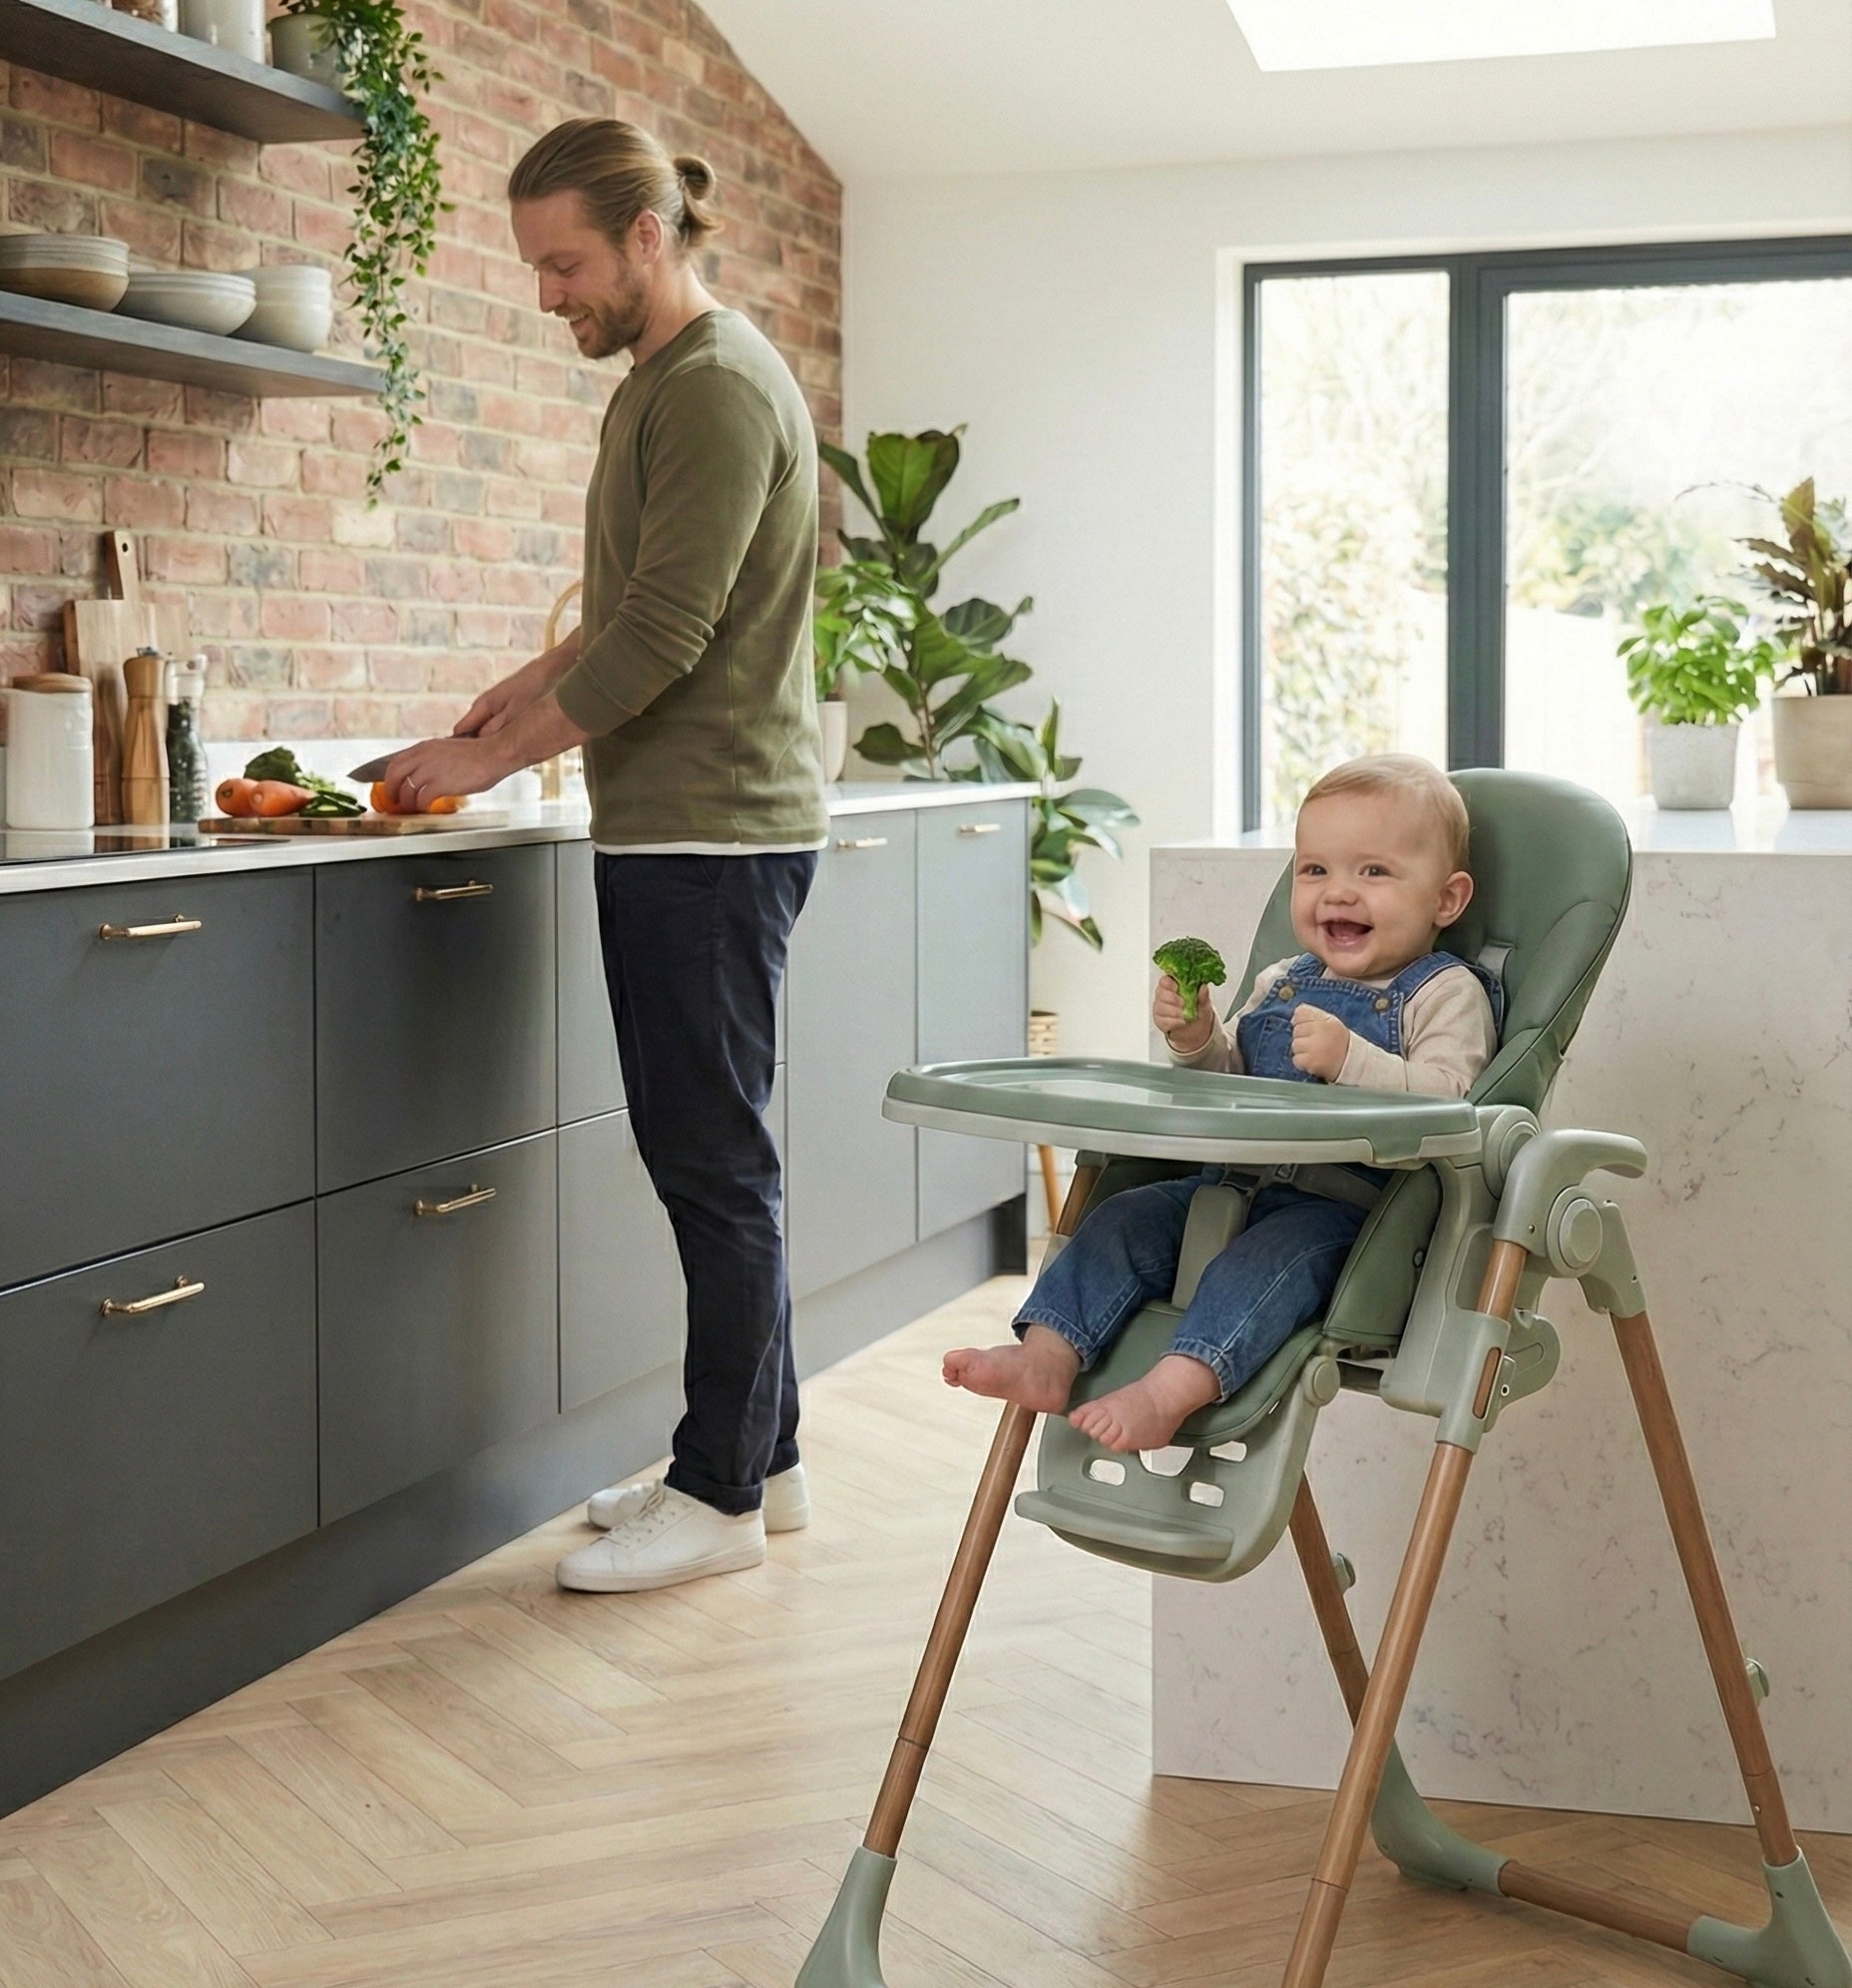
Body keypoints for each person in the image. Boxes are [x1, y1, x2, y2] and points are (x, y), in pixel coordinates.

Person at [381, 119, 826, 1593]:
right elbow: (631, 605)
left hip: (707, 830)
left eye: (564, 262)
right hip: (688, 824)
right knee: (723, 1158)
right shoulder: (661, 386)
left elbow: (668, 634)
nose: (550, 293)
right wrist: (514, 695)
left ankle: (719, 1501)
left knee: (712, 1166)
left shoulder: (709, 389)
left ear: (649, 237)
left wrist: (494, 761)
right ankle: (765, 1457)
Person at [943, 754, 1502, 1452]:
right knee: (1120, 1218)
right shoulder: (1283, 980)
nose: (1339, 893)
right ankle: (1048, 1356)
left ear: (1446, 900)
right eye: (1315, 870)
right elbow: (1226, 1073)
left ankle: (1168, 1391)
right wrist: (1196, 1035)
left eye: (1374, 872)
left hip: (1342, 1213)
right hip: (1225, 1183)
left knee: (1260, 1268)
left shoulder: (1446, 994)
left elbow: (1450, 1102)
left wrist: (1353, 1061)